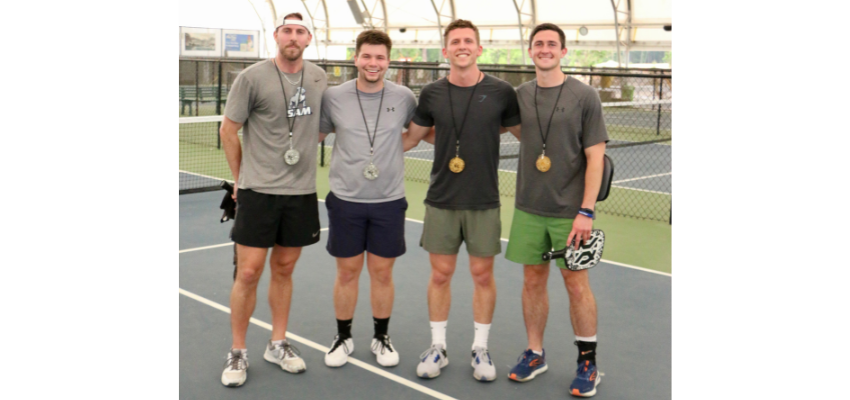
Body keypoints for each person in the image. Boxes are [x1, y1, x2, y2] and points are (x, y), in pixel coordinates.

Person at [403, 19, 521, 382]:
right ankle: (437, 347)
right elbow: (412, 138)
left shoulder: (502, 92)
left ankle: (480, 349)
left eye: (468, 41)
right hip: (441, 199)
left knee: (482, 275)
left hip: (484, 200)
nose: (462, 46)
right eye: (455, 41)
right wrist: (363, 149)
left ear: (479, 48)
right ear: (446, 51)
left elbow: (528, 135)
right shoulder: (432, 94)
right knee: (440, 275)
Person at [218, 13, 327, 388]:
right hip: (258, 192)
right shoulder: (251, 78)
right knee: (248, 272)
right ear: (276, 37)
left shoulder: (318, 77)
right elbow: (228, 130)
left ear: (308, 39)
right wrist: (240, 179)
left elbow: (318, 125)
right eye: (287, 31)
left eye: (299, 31)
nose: (293, 37)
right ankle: (238, 350)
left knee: (284, 270)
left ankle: (277, 343)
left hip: (300, 193)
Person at [503, 23, 609, 398]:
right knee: (532, 281)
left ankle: (588, 363)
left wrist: (587, 210)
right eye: (538, 44)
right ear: (530, 51)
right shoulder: (519, 95)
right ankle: (535, 353)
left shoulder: (584, 95)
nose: (544, 49)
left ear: (564, 52)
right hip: (529, 208)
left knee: (575, 284)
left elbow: (596, 158)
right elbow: (516, 132)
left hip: (571, 211)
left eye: (552, 44)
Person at [318, 30, 417, 369]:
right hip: (345, 201)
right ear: (356, 57)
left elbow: (415, 134)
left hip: (389, 201)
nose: (373, 63)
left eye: (380, 57)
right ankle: (343, 337)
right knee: (346, 273)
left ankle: (381, 336)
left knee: (382, 274)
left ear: (388, 61)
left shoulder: (404, 96)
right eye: (367, 56)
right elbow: (314, 135)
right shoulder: (333, 97)